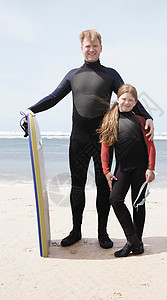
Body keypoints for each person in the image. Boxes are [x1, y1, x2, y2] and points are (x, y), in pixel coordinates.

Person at [23, 29, 154, 249]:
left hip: (104, 139)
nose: (91, 50)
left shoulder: (110, 74)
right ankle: (76, 230)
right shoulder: (73, 75)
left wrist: (147, 116)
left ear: (101, 48)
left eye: (95, 46)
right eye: (87, 46)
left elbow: (127, 96)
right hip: (78, 140)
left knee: (104, 187)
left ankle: (102, 233)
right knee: (77, 186)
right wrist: (30, 109)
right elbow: (54, 98)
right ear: (81, 49)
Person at [99, 84, 156, 257]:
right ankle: (133, 239)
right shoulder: (110, 120)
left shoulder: (140, 120)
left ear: (135, 102)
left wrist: (151, 168)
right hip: (122, 169)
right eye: (124, 99)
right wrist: (106, 171)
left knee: (138, 204)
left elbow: (151, 146)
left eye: (131, 100)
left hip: (141, 170)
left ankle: (136, 243)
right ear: (117, 99)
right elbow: (105, 148)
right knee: (115, 199)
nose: (127, 102)